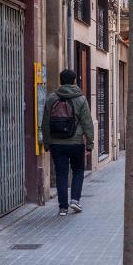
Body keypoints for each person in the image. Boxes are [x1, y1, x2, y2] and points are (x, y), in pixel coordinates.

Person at [41, 69, 94, 216]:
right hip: (76, 142)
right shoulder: (81, 99)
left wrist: (46, 142)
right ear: (74, 81)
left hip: (57, 143)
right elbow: (87, 123)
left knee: (61, 174)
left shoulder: (51, 98)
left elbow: (45, 122)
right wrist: (90, 143)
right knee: (78, 170)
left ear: (61, 81)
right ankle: (75, 200)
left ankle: (63, 207)